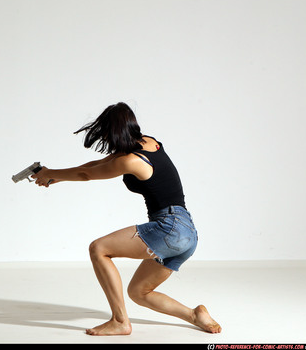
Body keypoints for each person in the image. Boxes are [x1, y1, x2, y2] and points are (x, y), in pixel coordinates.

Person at [31, 102, 221, 336]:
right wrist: (56, 175)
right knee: (139, 292)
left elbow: (88, 175)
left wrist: (52, 174)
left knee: (98, 248)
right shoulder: (149, 142)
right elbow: (95, 166)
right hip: (187, 232)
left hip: (169, 228)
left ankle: (120, 321)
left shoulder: (130, 161)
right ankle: (195, 314)